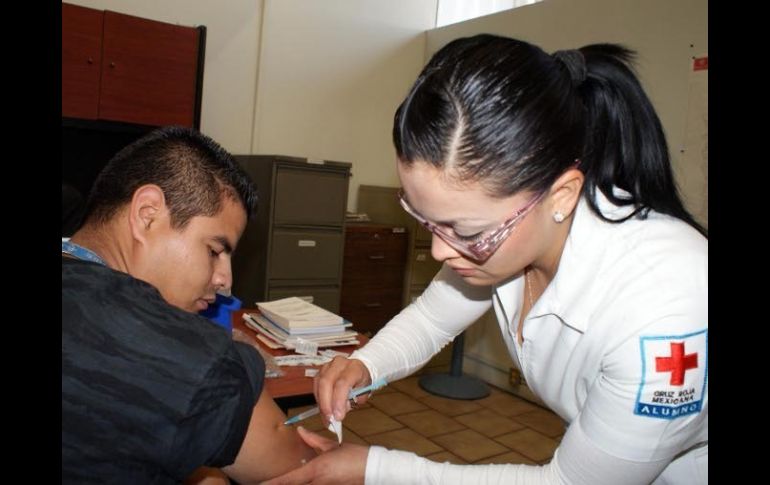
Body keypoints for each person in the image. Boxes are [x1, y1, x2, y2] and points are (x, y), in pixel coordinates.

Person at [265, 34, 708, 484]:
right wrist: (367, 363)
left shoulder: (665, 309)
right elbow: (432, 321)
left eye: (467, 231)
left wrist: (374, 468)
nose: (439, 250)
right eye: (425, 218)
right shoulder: (516, 239)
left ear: (562, 195)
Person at [62, 126, 315, 483]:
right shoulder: (182, 356)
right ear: (147, 214)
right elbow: (308, 472)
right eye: (214, 251)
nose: (225, 282)